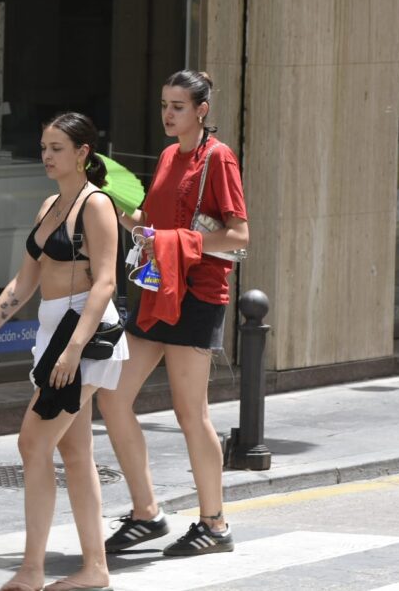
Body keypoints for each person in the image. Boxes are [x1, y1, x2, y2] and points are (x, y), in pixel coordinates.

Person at [0, 112, 126, 591]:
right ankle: (95, 569)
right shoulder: (49, 205)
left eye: (57, 148)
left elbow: (105, 283)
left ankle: (32, 570)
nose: (46, 156)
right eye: (44, 147)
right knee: (74, 451)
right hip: (54, 337)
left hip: (83, 339)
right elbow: (24, 282)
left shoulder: (97, 205)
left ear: (83, 153)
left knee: (32, 443)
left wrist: (73, 351)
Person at [97, 70, 249, 557]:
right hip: (157, 289)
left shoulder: (217, 158)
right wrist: (117, 207)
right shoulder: (167, 157)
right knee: (112, 397)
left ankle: (215, 524)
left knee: (190, 412)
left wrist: (177, 241)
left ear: (202, 110)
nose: (168, 113)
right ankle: (147, 513)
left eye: (178, 106)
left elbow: (239, 236)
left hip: (198, 293)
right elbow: (150, 222)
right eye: (165, 104)